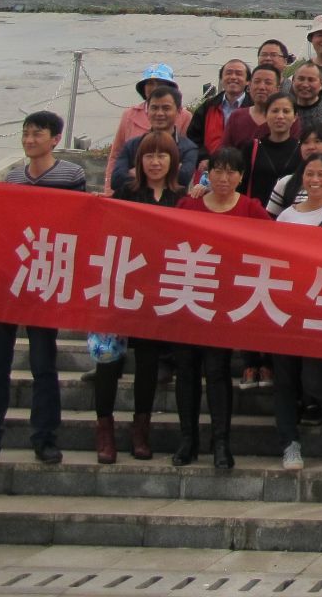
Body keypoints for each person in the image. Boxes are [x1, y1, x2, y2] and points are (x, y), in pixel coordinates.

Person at [0, 112, 85, 465]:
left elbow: (75, 223)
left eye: (37, 134)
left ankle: (45, 436)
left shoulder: (71, 175)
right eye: (26, 134)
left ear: (55, 138)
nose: (30, 140)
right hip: (8, 280)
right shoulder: (13, 178)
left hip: (46, 277)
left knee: (43, 363)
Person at [173, 147, 271, 469]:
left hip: (224, 303)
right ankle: (188, 440)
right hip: (189, 296)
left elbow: (275, 242)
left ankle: (221, 443)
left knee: (217, 371)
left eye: (231, 172)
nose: (224, 178)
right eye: (218, 170)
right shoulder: (189, 205)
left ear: (241, 177)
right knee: (186, 370)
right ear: (208, 173)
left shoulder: (250, 208)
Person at [94, 130, 185, 463]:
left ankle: (140, 431)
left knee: (148, 363)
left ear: (173, 161)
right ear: (139, 161)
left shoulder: (181, 198)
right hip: (122, 287)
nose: (155, 162)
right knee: (108, 361)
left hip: (158, 292)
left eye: (162, 156)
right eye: (149, 156)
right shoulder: (126, 193)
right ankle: (104, 431)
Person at [271, 153, 322, 470]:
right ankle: (289, 444)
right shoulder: (287, 216)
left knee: (312, 378)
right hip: (287, 305)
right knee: (284, 379)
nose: (315, 180)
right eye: (309, 174)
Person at [103, 64, 191, 196]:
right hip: (130, 189)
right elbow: (116, 154)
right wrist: (109, 189)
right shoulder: (129, 115)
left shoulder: (184, 117)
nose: (154, 87)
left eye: (160, 83)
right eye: (150, 83)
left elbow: (187, 160)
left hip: (167, 192)